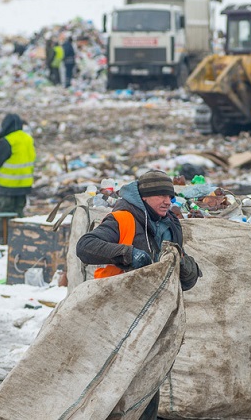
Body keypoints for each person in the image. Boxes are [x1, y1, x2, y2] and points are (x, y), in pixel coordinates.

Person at [76, 169, 202, 420]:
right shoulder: (122, 218)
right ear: (144, 196)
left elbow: (182, 265)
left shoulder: (171, 224)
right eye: (160, 195)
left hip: (154, 315)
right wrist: (127, 254)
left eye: (170, 195)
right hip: (117, 312)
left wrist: (189, 270)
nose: (167, 201)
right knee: (114, 379)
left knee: (148, 378)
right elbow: (86, 246)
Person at [0, 113, 35, 217]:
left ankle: (7, 234)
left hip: (7, 187)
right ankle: (19, 233)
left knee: (6, 217)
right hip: (24, 185)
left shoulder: (8, 141)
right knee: (19, 215)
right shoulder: (28, 139)